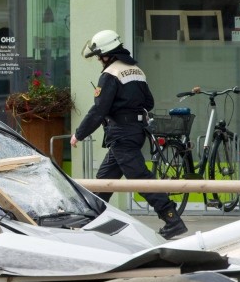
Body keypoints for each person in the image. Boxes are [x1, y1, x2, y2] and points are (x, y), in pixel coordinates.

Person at [69, 29, 187, 240]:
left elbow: (99, 110)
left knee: (140, 178)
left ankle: (172, 218)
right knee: (105, 180)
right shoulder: (136, 70)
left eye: (99, 56)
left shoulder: (110, 74)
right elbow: (148, 102)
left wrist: (79, 134)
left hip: (121, 133)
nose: (98, 60)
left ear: (107, 53)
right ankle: (91, 220)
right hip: (134, 131)